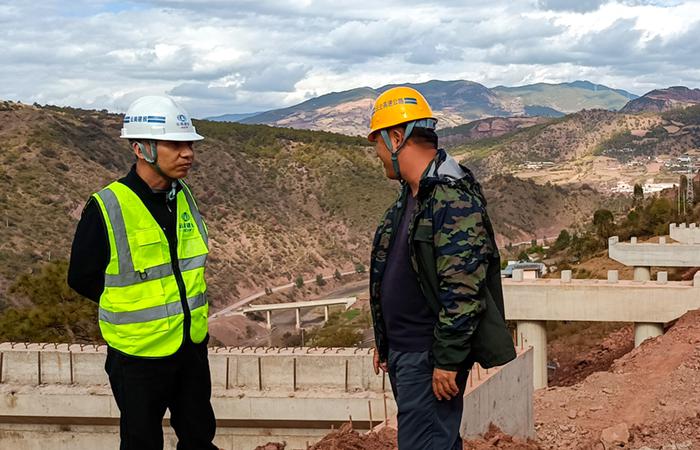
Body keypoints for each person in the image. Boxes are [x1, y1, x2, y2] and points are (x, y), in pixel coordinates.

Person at [368, 86, 516, 449]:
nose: (378, 155)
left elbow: (463, 291)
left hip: (428, 357)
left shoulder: (451, 199)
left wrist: (447, 361)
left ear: (396, 138)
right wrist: (386, 339)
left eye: (377, 144)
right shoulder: (413, 195)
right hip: (408, 354)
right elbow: (399, 271)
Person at [68, 95, 218, 450]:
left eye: (189, 145)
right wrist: (133, 307)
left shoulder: (182, 196)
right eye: (175, 145)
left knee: (199, 438)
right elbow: (82, 277)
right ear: (140, 148)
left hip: (190, 346)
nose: (187, 154)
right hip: (138, 356)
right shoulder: (108, 206)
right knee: (141, 442)